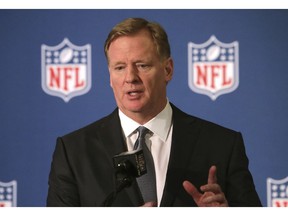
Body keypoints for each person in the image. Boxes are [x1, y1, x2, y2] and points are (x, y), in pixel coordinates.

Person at [46, 17, 262, 207]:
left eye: (142, 65)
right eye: (119, 67)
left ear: (167, 70)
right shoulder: (73, 152)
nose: (130, 77)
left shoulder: (222, 145)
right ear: (110, 77)